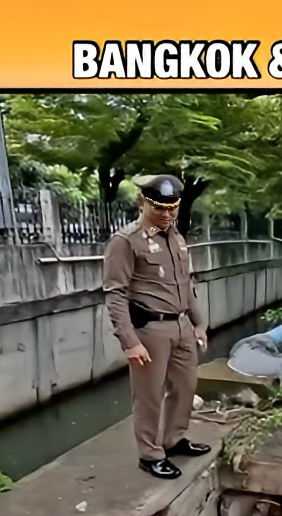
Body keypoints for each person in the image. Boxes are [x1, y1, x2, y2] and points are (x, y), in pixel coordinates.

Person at [103, 174, 211, 479]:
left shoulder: (176, 237)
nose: (166, 214)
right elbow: (115, 293)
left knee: (186, 388)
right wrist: (129, 341)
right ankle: (150, 454)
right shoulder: (126, 241)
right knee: (149, 395)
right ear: (143, 203)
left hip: (181, 327)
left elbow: (185, 286)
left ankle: (174, 439)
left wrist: (199, 324)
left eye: (172, 208)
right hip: (151, 330)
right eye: (159, 208)